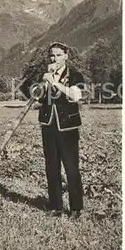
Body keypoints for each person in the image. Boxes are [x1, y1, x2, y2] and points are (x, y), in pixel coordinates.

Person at [33, 42, 86, 219]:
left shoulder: (75, 75)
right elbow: (40, 97)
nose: (53, 58)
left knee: (71, 168)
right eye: (51, 55)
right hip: (48, 126)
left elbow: (75, 95)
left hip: (68, 127)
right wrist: (42, 87)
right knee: (51, 167)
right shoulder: (46, 76)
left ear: (66, 56)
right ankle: (55, 206)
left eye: (57, 55)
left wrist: (54, 82)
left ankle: (76, 208)